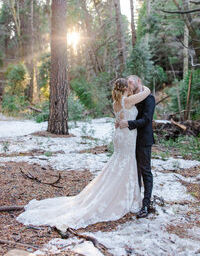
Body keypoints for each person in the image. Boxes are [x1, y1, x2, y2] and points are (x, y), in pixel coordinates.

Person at [17, 78, 150, 231]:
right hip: (126, 136)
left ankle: (123, 195)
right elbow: (147, 93)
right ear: (126, 88)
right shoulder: (128, 100)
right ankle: (122, 198)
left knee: (119, 162)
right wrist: (143, 86)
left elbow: (121, 117)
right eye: (129, 85)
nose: (131, 87)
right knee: (125, 162)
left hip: (120, 134)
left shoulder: (116, 103)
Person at [116, 75, 155, 218]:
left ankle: (146, 204)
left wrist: (129, 124)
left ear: (139, 81)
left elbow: (146, 119)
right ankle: (136, 201)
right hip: (131, 140)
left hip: (144, 140)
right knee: (134, 171)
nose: (129, 84)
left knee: (145, 171)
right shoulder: (132, 98)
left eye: (131, 82)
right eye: (127, 83)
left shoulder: (149, 98)